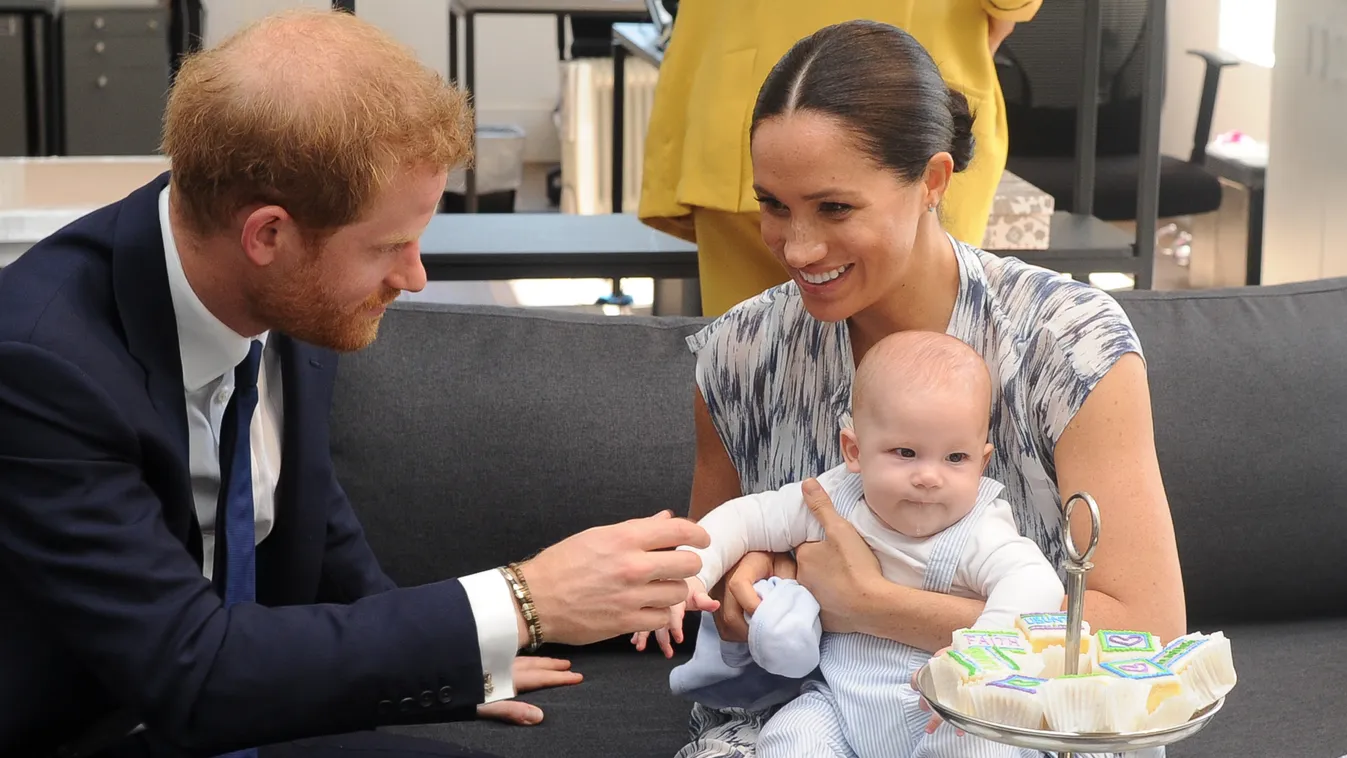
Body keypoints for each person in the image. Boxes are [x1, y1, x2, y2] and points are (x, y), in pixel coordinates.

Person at [0, 9, 709, 758]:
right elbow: (191, 670)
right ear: (267, 234)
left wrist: (454, 658)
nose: (415, 276)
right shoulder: (43, 364)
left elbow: (321, 539)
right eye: (390, 246)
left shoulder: (285, 302)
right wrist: (524, 600)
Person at [674, 19, 1186, 758]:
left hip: (1022, 725)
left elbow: (1146, 631)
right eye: (774, 205)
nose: (797, 246)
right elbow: (709, 580)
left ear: (932, 182)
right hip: (805, 719)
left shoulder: (1067, 341)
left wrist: (869, 605)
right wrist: (747, 585)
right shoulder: (738, 354)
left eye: (834, 207)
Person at [635, 331, 1064, 758]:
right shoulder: (835, 498)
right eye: (906, 452)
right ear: (854, 451)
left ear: (982, 460)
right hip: (838, 704)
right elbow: (746, 519)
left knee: (982, 745)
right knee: (790, 739)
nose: (930, 477)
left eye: (956, 458)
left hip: (944, 710)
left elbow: (1035, 582)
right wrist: (692, 569)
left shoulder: (980, 528)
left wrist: (981, 659)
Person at [637, 0, 1042, 317]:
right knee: (925, 378)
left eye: (836, 208)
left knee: (755, 377)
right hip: (908, 108)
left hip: (736, 96)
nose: (801, 250)